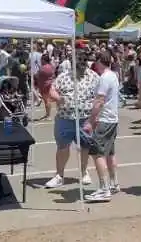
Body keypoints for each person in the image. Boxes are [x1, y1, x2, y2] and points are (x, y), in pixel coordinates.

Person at [44, 59, 98, 189]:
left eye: (82, 68)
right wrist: (58, 98)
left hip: (85, 118)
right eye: (77, 69)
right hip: (65, 118)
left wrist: (95, 117)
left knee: (85, 146)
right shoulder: (63, 76)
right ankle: (59, 175)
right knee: (63, 146)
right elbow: (51, 90)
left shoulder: (93, 76)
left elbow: (100, 95)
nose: (80, 71)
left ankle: (84, 171)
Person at [83, 51, 121, 202]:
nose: (95, 64)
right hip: (112, 119)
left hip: (105, 120)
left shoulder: (105, 78)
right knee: (110, 152)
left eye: (96, 61)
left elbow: (99, 100)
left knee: (97, 153)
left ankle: (104, 189)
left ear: (100, 61)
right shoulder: (113, 75)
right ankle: (113, 183)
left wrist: (91, 121)